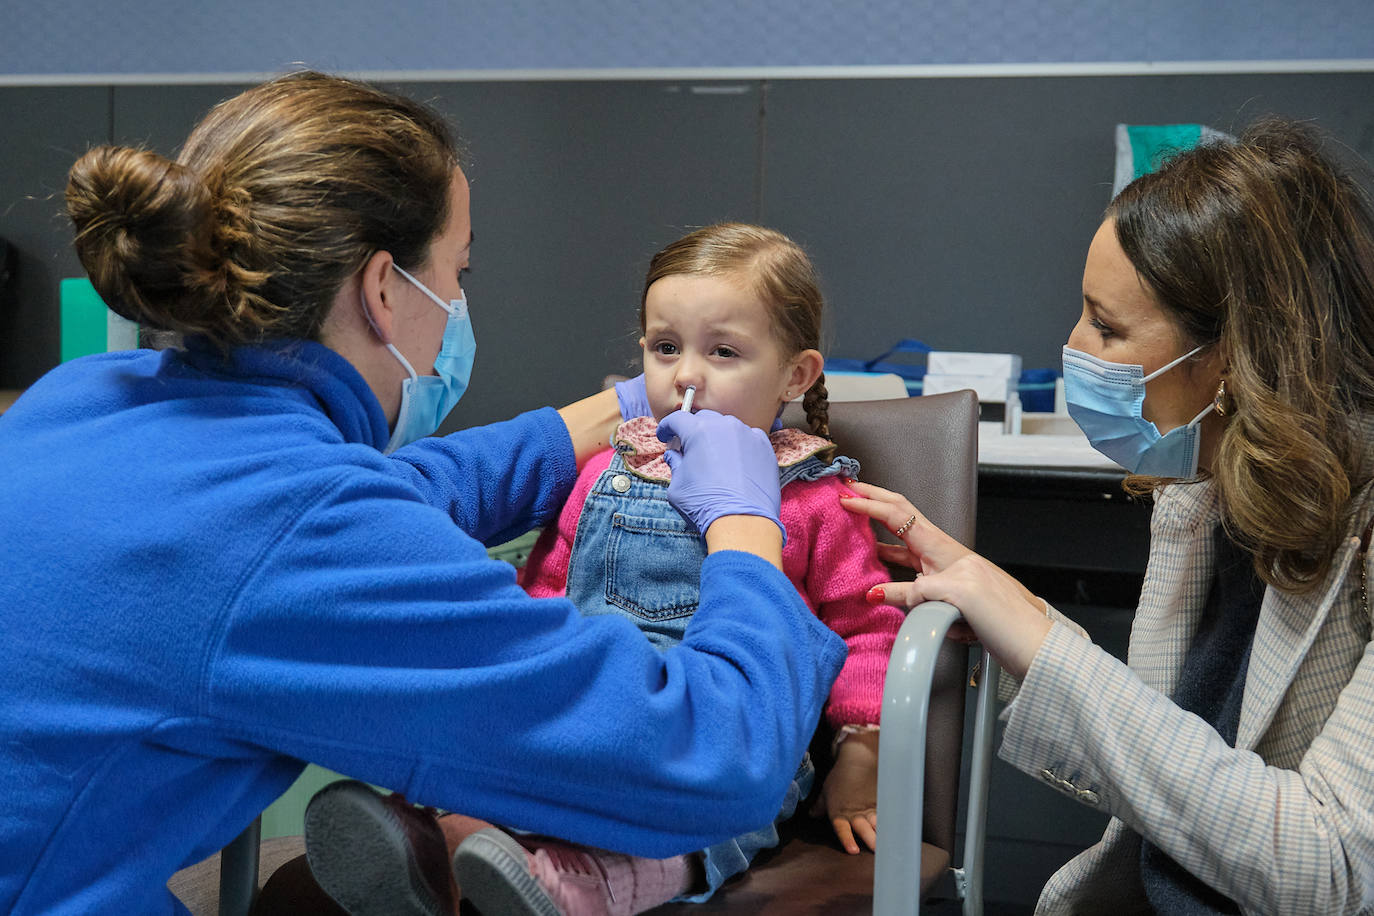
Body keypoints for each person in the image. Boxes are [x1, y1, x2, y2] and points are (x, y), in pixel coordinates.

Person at [0, 72, 847, 915]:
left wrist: (618, 405)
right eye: (459, 272)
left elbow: (390, 494)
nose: (458, 307)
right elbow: (713, 759)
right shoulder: (303, 526)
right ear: (381, 290)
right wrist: (742, 525)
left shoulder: (77, 399)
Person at [844, 119, 1374, 914]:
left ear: (1232, 357)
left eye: (1108, 326)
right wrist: (1006, 622)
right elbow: (1174, 769)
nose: (1074, 346)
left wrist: (1041, 639)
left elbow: (1327, 867)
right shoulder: (1201, 491)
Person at [302, 223, 906, 915]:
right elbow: (547, 590)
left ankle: (586, 888)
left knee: (710, 815)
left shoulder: (816, 495)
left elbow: (870, 623)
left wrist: (862, 755)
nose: (686, 375)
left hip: (724, 741)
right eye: (666, 347)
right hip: (596, 710)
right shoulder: (603, 472)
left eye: (724, 352)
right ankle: (437, 844)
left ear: (796, 374)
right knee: (497, 759)